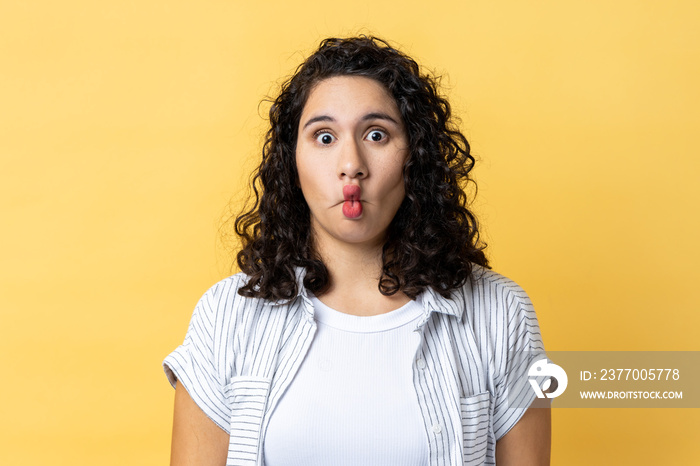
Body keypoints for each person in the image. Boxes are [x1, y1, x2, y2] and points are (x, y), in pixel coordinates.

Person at [163, 36, 551, 466]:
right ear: (292, 161)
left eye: (376, 134)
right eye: (324, 137)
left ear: (414, 157)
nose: (352, 163)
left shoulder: (500, 313)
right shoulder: (225, 317)